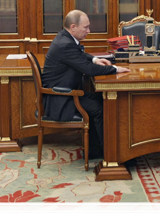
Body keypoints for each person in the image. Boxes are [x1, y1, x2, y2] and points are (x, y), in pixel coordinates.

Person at [41, 10, 130, 159]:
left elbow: (80, 54)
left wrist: (95, 59)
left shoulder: (65, 37)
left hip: (66, 94)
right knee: (102, 107)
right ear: (74, 27)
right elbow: (88, 70)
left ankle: (96, 149)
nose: (89, 31)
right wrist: (115, 69)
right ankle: (108, 153)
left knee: (101, 99)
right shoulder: (65, 44)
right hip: (61, 99)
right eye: (86, 27)